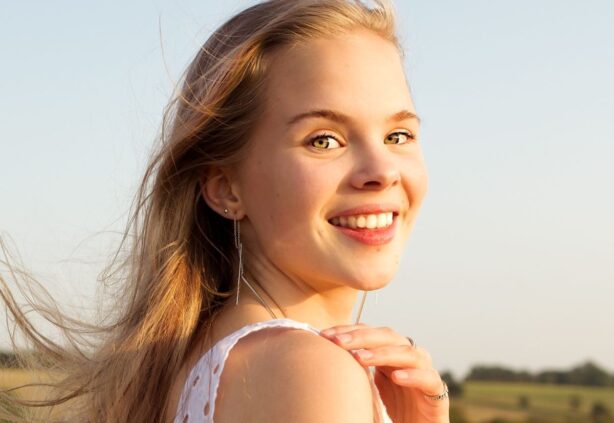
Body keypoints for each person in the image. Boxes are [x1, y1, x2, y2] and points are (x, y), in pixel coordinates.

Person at [0, 0, 449, 422]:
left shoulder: (190, 361)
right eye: (323, 140)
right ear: (225, 189)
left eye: (398, 136)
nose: (381, 171)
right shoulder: (312, 372)